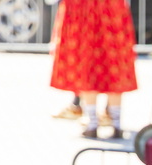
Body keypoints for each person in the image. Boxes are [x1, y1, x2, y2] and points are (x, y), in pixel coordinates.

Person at [48, 0, 137, 138]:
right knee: (113, 61)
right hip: (111, 7)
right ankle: (115, 124)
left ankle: (93, 123)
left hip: (83, 7)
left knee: (86, 61)